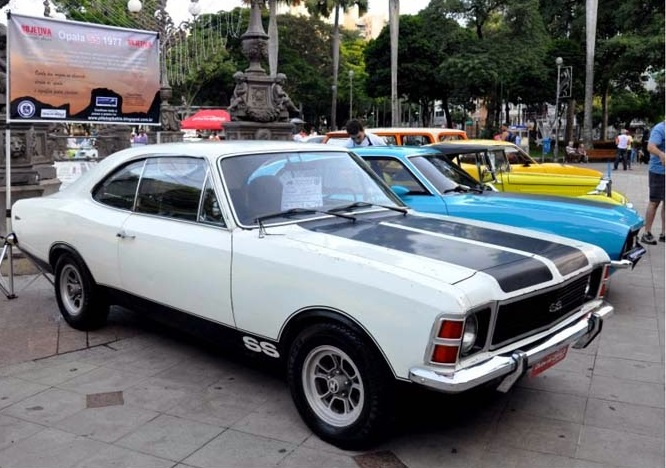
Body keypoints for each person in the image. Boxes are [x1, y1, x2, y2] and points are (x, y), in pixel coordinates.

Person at [640, 120, 665, 245]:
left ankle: (664, 233)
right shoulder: (659, 129)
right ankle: (646, 233)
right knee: (654, 202)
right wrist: (661, 154)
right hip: (658, 171)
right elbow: (650, 146)